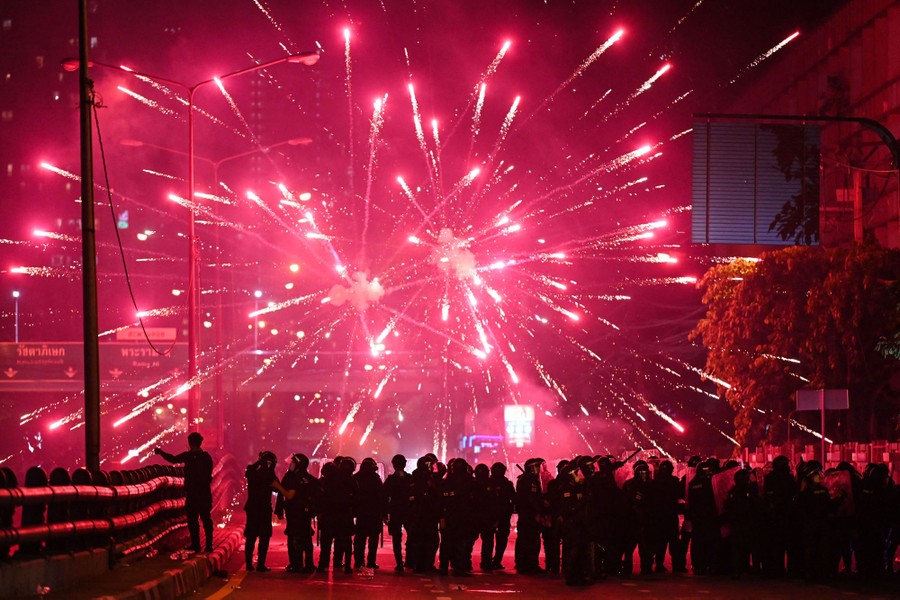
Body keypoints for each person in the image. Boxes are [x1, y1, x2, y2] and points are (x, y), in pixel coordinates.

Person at [155, 432, 214, 552]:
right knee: (206, 520)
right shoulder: (207, 457)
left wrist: (161, 452)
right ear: (200, 442)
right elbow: (209, 475)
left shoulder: (188, 456)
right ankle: (209, 546)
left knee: (193, 521)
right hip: (204, 493)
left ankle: (196, 545)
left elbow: (173, 459)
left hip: (192, 493)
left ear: (190, 443)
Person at [244, 450, 293, 572]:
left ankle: (249, 564)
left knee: (251, 537)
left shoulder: (253, 472)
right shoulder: (270, 475)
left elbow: (249, 470)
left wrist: (259, 460)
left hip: (252, 508)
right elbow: (277, 490)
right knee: (264, 537)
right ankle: (260, 564)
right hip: (264, 509)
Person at [274, 453, 320, 573]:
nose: (290, 465)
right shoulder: (309, 478)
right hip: (306, 514)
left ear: (298, 464)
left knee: (295, 538)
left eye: (293, 462)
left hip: (295, 513)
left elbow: (289, 495)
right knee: (306, 538)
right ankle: (309, 564)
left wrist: (277, 486)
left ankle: (297, 564)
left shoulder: (293, 477)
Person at [353, 457, 384, 569]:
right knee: (372, 540)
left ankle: (359, 561)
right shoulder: (375, 479)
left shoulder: (356, 478)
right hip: (373, 513)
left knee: (360, 540)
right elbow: (381, 497)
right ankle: (370, 561)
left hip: (362, 513)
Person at [383, 454, 413, 571]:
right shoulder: (409, 478)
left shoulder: (391, 480)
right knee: (411, 536)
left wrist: (385, 514)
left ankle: (399, 562)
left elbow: (384, 497)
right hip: (407, 511)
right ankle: (409, 560)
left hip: (395, 511)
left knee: (396, 538)